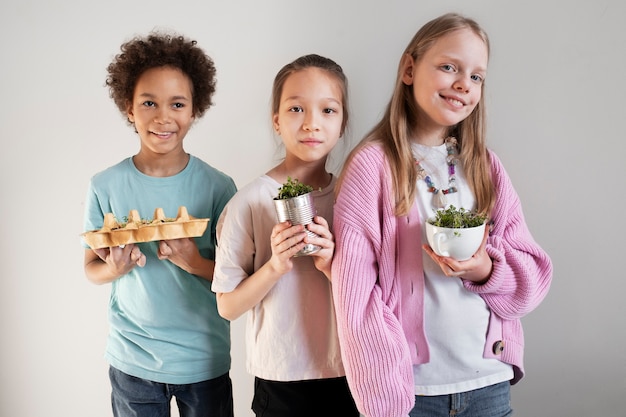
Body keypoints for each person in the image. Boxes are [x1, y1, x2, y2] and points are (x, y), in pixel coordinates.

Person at [331, 13, 553, 417]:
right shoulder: (372, 166)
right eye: (449, 67)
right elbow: (356, 299)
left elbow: (533, 277)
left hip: (488, 381)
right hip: (412, 392)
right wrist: (382, 400)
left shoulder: (485, 166)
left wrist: (486, 270)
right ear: (410, 69)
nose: (463, 84)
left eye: (476, 77)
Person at [82, 32, 237, 417]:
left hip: (203, 359)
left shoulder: (219, 187)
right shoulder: (104, 186)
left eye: (177, 104)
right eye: (149, 102)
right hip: (132, 359)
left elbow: (237, 278)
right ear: (129, 108)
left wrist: (192, 262)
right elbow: (91, 268)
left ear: (194, 109)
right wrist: (113, 268)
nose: (163, 116)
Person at [211, 54, 359, 417]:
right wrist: (275, 265)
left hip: (353, 372)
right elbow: (227, 307)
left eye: (327, 110)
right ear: (276, 121)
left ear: (342, 124)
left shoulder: (354, 199)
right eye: (296, 109)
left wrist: (331, 263)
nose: (311, 123)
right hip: (281, 380)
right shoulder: (248, 202)